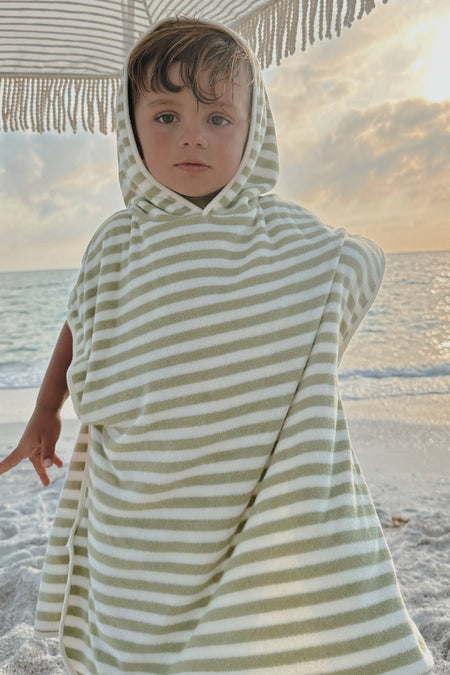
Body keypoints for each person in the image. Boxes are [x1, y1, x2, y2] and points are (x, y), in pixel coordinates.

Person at [0, 16, 433, 675]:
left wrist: (324, 291)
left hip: (249, 476)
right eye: (166, 116)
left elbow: (347, 265)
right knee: (136, 622)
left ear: (254, 130)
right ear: (129, 127)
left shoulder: (277, 230)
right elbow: (82, 322)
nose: (193, 135)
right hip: (142, 487)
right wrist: (44, 412)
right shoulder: (116, 242)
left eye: (218, 117)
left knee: (275, 624)